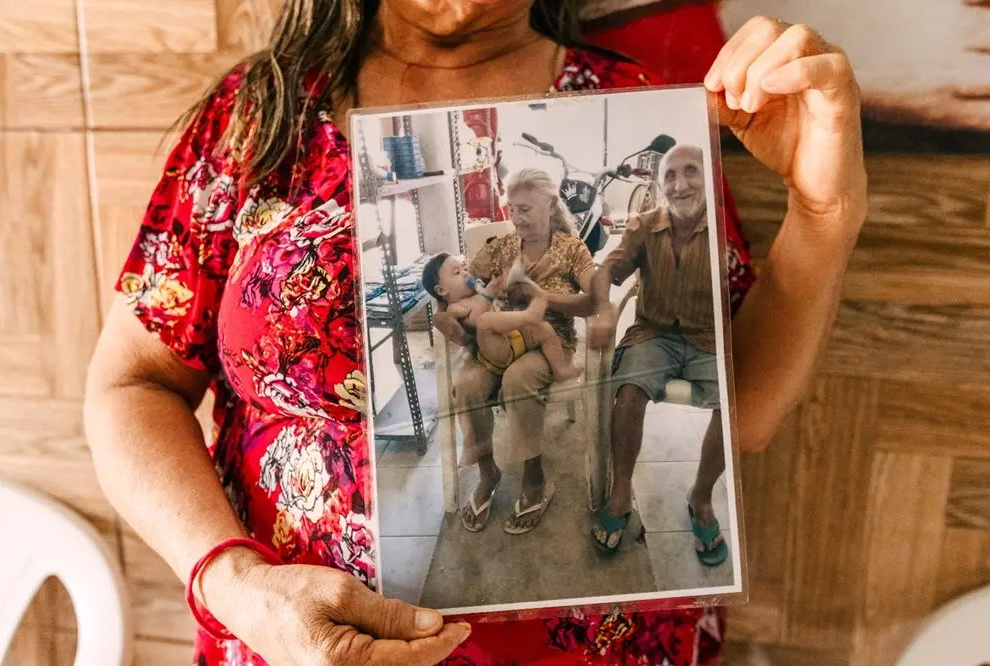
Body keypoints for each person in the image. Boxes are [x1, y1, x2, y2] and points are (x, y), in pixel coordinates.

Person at [81, 0, 866, 662]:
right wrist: (235, 584)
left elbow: (744, 410)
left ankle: (527, 478)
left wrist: (826, 214)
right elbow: (132, 382)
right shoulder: (259, 116)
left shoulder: (636, 106)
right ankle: (492, 477)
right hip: (286, 644)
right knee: (477, 381)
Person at [588, 144, 730, 565]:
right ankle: (620, 494)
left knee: (735, 405)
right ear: (659, 184)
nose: (680, 183)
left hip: (710, 338)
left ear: (709, 177)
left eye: (691, 172)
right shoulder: (643, 226)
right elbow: (604, 271)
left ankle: (701, 497)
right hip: (654, 334)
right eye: (670, 175)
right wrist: (600, 310)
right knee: (628, 392)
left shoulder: (727, 231)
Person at [439, 167, 596, 536]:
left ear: (550, 205)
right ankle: (487, 471)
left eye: (526, 209)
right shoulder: (503, 247)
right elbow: (458, 280)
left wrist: (541, 297)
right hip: (499, 339)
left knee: (519, 378)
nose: (517, 218)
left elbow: (593, 300)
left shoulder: (572, 249)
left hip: (547, 340)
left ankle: (534, 478)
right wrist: (447, 311)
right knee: (469, 386)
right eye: (512, 209)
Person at [420, 252, 582, 388]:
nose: (465, 273)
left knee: (544, 328)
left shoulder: (476, 292)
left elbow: (499, 300)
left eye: (463, 268)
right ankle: (529, 315)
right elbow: (477, 320)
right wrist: (488, 294)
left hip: (514, 338)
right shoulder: (454, 307)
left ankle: (560, 370)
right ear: (442, 290)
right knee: (485, 321)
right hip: (495, 352)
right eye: (457, 273)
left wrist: (500, 286)